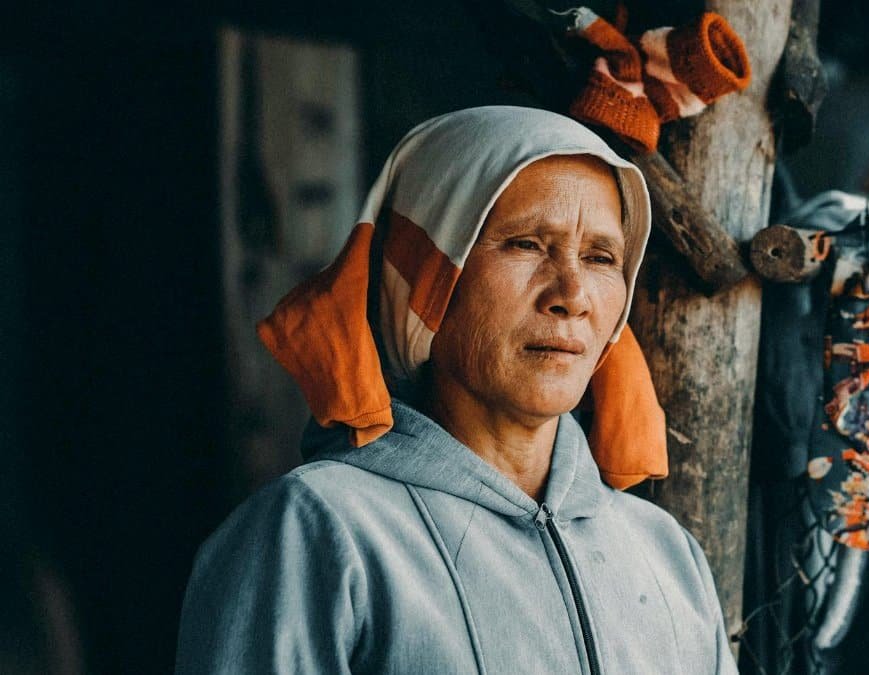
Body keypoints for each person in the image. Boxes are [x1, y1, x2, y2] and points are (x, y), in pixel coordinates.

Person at [175, 106, 735, 673]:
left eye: (600, 257)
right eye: (525, 244)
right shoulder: (316, 532)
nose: (573, 294)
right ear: (426, 276)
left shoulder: (666, 554)